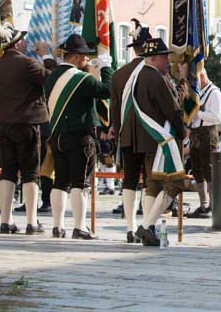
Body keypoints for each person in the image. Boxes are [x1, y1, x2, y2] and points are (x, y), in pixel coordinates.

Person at [43, 33, 113, 239]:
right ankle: (80, 227)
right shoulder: (81, 79)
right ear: (74, 57)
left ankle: (57, 226)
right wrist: (106, 68)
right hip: (79, 137)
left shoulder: (52, 77)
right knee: (80, 183)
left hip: (57, 136)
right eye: (83, 56)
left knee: (60, 182)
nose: (86, 60)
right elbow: (106, 90)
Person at [123, 36, 187, 247]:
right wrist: (183, 130)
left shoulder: (139, 76)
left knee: (153, 184)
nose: (167, 61)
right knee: (174, 183)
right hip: (161, 140)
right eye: (164, 57)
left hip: (147, 139)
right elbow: (172, 109)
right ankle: (147, 226)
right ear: (154, 58)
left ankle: (147, 229)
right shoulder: (156, 78)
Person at [0, 23, 48, 235]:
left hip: (5, 123)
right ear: (17, 43)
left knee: (8, 171)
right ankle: (32, 222)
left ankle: (6, 221)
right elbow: (47, 78)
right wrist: (46, 56)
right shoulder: (27, 63)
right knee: (31, 172)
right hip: (27, 123)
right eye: (22, 40)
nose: (25, 42)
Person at [109, 22, 153, 243]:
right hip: (150, 135)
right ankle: (146, 225)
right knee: (149, 182)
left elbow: (114, 111)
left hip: (126, 135)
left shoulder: (118, 74)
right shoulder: (152, 73)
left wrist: (118, 133)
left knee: (129, 180)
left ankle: (130, 227)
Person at [187, 69, 221, 218]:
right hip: (196, 133)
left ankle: (213, 205)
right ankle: (203, 204)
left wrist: (197, 113)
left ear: (202, 77)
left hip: (208, 133)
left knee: (208, 169)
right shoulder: (200, 92)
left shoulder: (214, 93)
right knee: (196, 169)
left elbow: (217, 117)